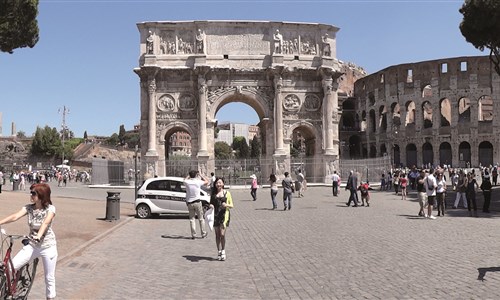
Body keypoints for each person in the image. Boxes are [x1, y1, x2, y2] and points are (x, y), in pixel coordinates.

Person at [0, 183, 58, 299]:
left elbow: (45, 223)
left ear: (42, 195)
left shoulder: (50, 209)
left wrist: (39, 235)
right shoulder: (28, 208)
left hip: (48, 246)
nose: (31, 195)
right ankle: (10, 289)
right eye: (31, 192)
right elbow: (15, 216)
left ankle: (50, 298)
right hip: (32, 246)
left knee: (49, 277)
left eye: (33, 193)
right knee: (11, 267)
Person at [209, 177, 233, 261]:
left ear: (223, 184)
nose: (218, 184)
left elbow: (232, 205)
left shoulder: (227, 193)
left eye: (220, 183)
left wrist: (226, 205)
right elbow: (211, 204)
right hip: (215, 216)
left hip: (224, 215)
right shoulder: (213, 194)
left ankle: (223, 250)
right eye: (217, 183)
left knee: (222, 235)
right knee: (217, 235)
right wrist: (211, 206)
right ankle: (218, 251)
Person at [184, 170, 209, 239]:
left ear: (190, 175)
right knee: (201, 219)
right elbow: (207, 182)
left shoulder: (187, 182)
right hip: (197, 202)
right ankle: (203, 233)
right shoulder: (198, 181)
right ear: (196, 175)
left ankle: (193, 234)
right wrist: (200, 175)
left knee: (192, 219)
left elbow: (184, 179)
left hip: (190, 203)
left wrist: (189, 175)